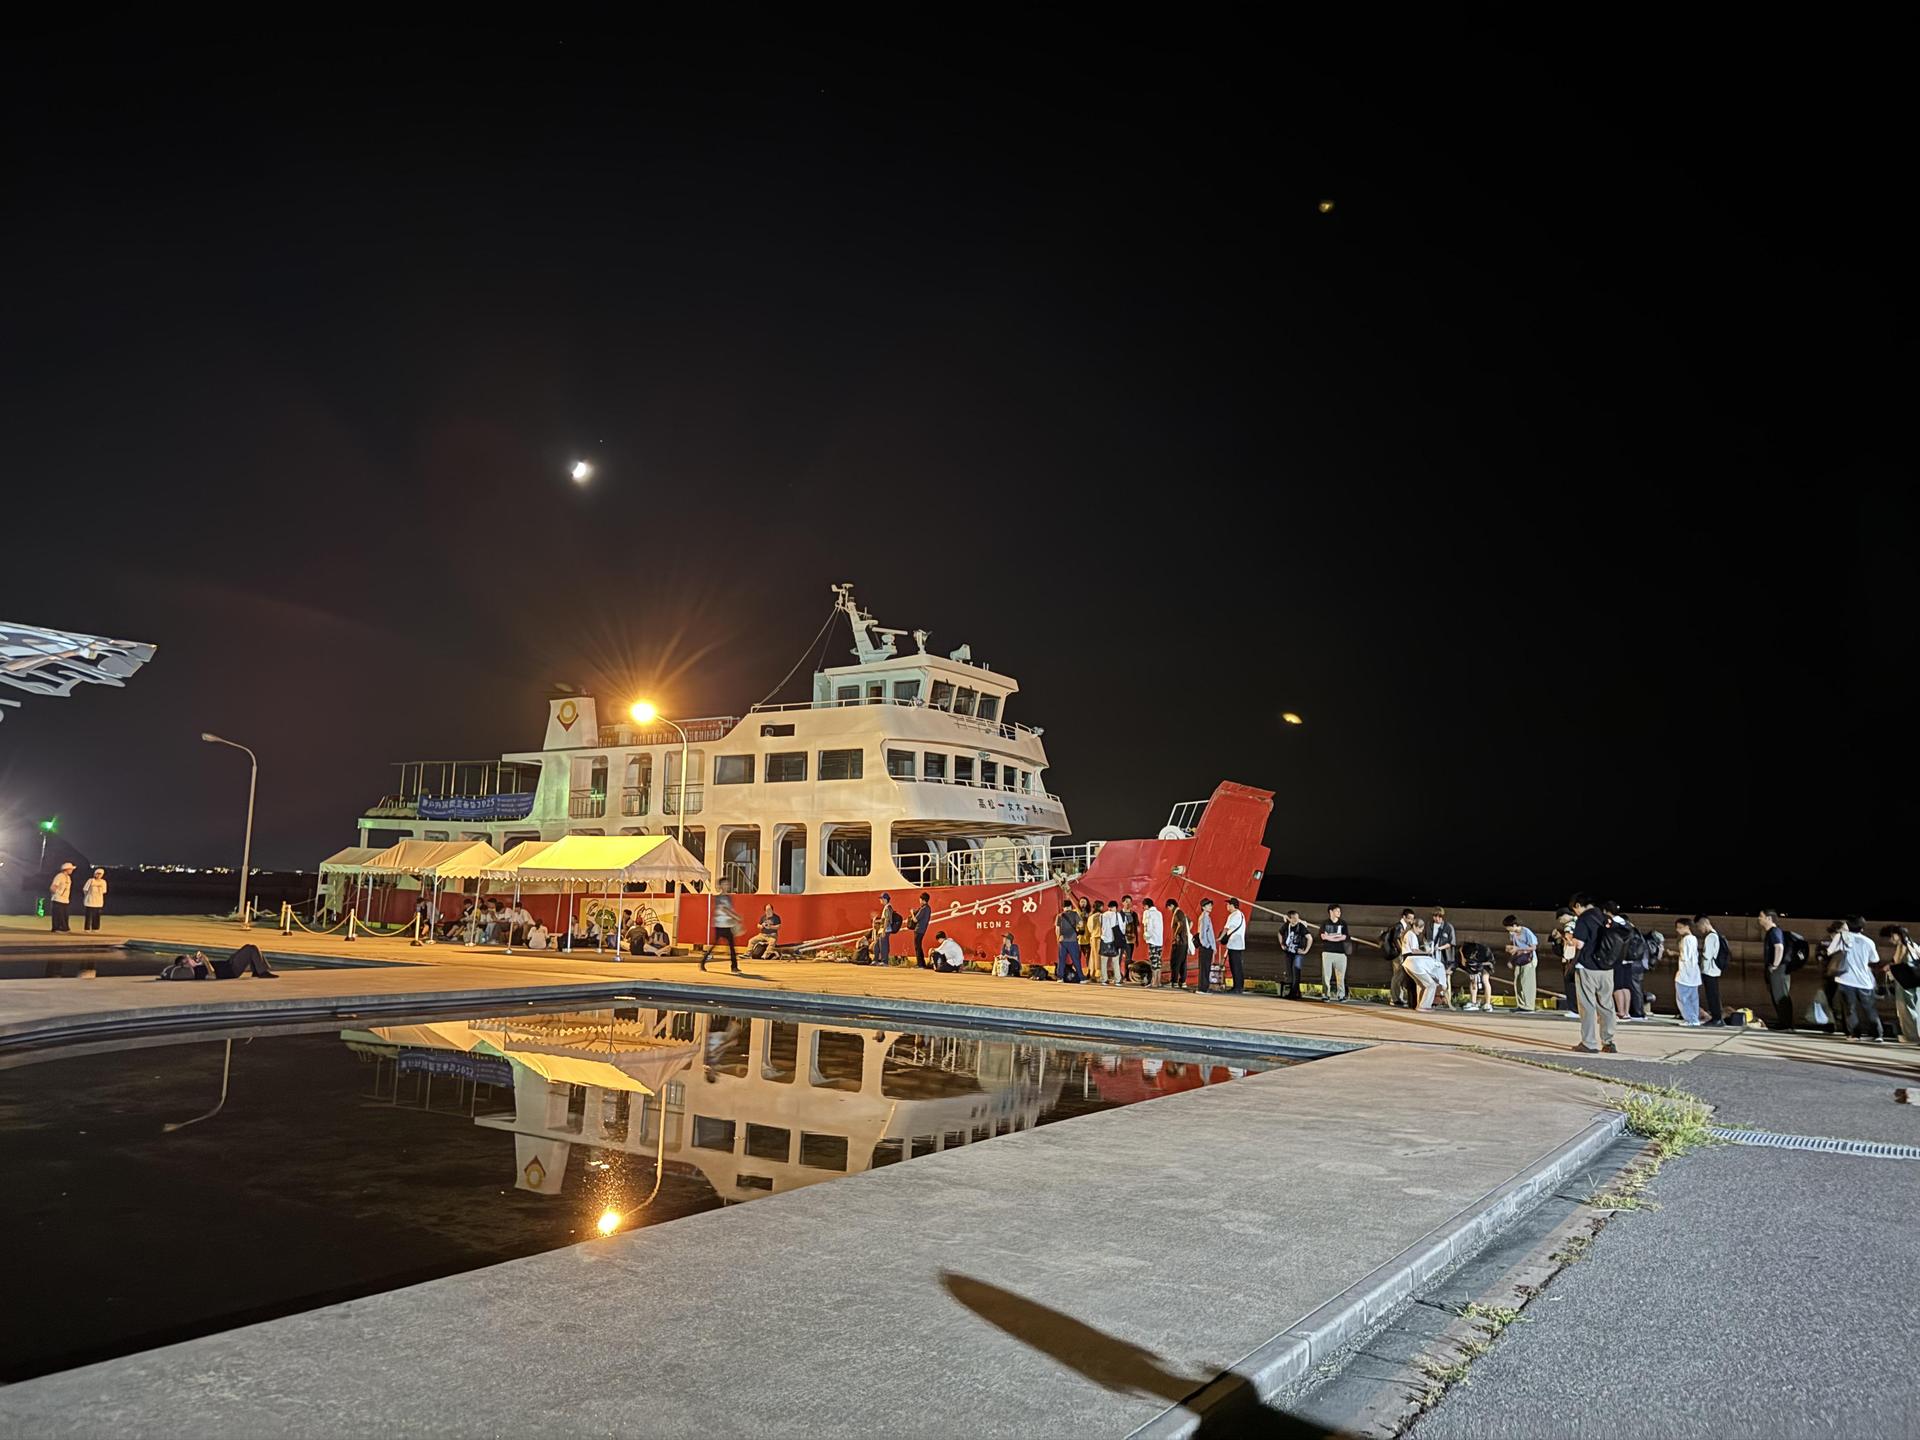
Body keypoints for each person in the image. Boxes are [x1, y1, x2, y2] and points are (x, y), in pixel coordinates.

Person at [1568, 893, 1619, 1054]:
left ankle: (1589, 1043)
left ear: (1578, 905)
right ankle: (1608, 1041)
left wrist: (1570, 939)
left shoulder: (1584, 919)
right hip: (1607, 968)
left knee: (1587, 1005)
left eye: (1574, 909)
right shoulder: (1605, 917)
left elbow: (1579, 944)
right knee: (1606, 1004)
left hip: (1588, 967)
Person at [1828, 917, 1884, 1042]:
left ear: (1848, 926)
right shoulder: (1868, 942)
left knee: (1850, 1009)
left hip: (1845, 978)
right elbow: (1875, 959)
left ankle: (1855, 1034)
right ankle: (1877, 1034)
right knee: (1869, 1008)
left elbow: (1830, 951)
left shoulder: (1840, 937)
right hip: (1864, 981)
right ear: (1862, 928)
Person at [1877, 924, 1920, 1045]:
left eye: (1891, 937)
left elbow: (1899, 963)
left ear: (1897, 935)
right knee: (1914, 1008)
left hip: (1905, 982)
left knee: (1905, 1010)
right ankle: (1915, 1035)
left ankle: (1911, 1037)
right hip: (1914, 982)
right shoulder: (1913, 945)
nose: (1890, 940)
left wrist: (1890, 967)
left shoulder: (1903, 946)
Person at [1400, 919, 1446, 1010]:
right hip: (1413, 961)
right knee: (1431, 984)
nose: (1421, 931)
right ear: (1415, 927)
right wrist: (1426, 953)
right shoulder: (1411, 935)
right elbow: (1414, 950)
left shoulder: (1408, 934)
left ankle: (1419, 1005)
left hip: (1408, 962)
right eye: (1420, 929)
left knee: (1420, 984)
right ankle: (1424, 1006)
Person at [1759, 908, 1793, 1030]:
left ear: (1769, 918)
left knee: (1780, 996)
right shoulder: (1772, 932)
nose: (1759, 919)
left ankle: (1786, 1024)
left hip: (1779, 969)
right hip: (1778, 969)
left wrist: (1775, 965)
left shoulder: (1774, 931)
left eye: (1761, 916)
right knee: (1777, 995)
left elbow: (1779, 947)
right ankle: (1783, 1021)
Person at [1670, 917, 1703, 1025]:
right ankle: (1694, 1019)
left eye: (1680, 927)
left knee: (1683, 999)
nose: (1677, 930)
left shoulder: (1686, 940)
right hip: (1694, 974)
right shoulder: (1693, 938)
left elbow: (1685, 957)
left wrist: (1675, 953)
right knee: (1693, 999)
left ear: (1687, 927)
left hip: (1685, 974)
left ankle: (1690, 1019)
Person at [700, 891, 743, 973]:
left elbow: (730, 910)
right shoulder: (719, 899)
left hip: (728, 926)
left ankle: (734, 967)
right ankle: (702, 963)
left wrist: (734, 919)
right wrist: (736, 917)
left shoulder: (728, 899)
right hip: (720, 926)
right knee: (714, 946)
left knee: (732, 947)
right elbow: (725, 910)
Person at [1503, 915, 1538, 1012]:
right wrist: (1511, 957)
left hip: (1528, 959)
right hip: (1518, 959)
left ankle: (1529, 1005)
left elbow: (1533, 947)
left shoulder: (1527, 932)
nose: (1508, 929)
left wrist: (1519, 949)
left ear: (1514, 925)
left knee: (1527, 982)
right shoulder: (1512, 934)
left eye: (1508, 927)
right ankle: (1521, 1004)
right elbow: (1514, 946)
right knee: (1518, 982)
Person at [1696, 914, 1727, 1025]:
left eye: (1699, 926)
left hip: (1709, 970)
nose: (1699, 929)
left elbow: (1707, 955)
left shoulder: (1710, 937)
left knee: (1712, 995)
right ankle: (1717, 1017)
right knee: (1714, 994)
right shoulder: (1716, 935)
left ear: (1704, 924)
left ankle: (1717, 1018)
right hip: (1714, 970)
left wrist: (1700, 954)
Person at [1387, 909, 1418, 1008]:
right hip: (1398, 955)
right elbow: (1396, 939)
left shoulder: (1405, 926)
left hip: (1401, 954)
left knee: (1400, 976)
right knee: (1397, 976)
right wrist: (1402, 951)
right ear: (1404, 917)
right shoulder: (1399, 926)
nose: (1411, 920)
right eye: (1409, 918)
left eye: (1412, 919)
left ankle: (1399, 997)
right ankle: (1394, 998)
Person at [1320, 904, 1350, 1003]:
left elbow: (1344, 937)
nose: (1339, 913)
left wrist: (1330, 937)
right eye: (1337, 911)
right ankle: (1326, 995)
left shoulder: (1343, 923)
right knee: (1326, 976)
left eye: (1339, 911)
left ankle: (1341, 995)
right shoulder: (1325, 923)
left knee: (1341, 976)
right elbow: (1323, 936)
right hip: (1327, 952)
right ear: (1331, 911)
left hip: (1341, 953)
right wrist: (1337, 937)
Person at [1280, 910, 1312, 999]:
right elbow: (1280, 933)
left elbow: (1310, 938)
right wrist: (1282, 944)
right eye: (1294, 918)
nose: (1296, 919)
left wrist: (1305, 951)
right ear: (1290, 919)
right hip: (1289, 952)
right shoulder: (1286, 925)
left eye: (1297, 918)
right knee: (1290, 972)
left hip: (1298, 952)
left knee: (1296, 971)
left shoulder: (1301, 926)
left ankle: (1293, 993)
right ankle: (1296, 992)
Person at [1429, 908, 1458, 1009]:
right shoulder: (1429, 926)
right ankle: (1434, 999)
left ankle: (1447, 1000)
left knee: (1446, 979)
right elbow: (1426, 938)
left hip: (1445, 958)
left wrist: (1440, 948)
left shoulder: (1448, 927)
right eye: (1435, 916)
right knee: (1433, 978)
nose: (1437, 918)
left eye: (1439, 916)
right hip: (1432, 956)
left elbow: (1451, 943)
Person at [1220, 898, 1249, 994]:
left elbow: (1226, 928)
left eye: (1228, 904)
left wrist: (1220, 938)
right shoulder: (1241, 914)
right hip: (1239, 944)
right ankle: (1239, 986)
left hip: (1234, 944)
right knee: (1238, 966)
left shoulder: (1233, 915)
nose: (1227, 906)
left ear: (1232, 905)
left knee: (1235, 966)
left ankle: (1237, 987)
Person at [1459, 941, 1497, 1011]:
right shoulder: (1465, 950)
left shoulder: (1485, 951)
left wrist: (1481, 967)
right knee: (1473, 980)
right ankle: (1473, 1002)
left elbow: (1490, 963)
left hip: (1485, 965)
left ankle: (1487, 1004)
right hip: (1473, 965)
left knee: (1485, 980)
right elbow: (1464, 962)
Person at [1099, 900, 1126, 986]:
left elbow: (1101, 926)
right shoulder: (1117, 915)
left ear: (1108, 907)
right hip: (1114, 940)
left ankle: (1104, 979)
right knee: (1115, 961)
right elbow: (1122, 928)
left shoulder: (1102, 915)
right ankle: (1117, 980)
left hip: (1104, 939)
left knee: (1103, 961)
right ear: (1116, 907)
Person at [1055, 900, 1084, 983]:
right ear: (1071, 906)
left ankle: (1060, 978)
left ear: (1063, 907)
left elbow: (1057, 929)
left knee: (1061, 960)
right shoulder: (1074, 914)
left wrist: (1058, 938)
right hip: (1073, 940)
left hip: (1062, 941)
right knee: (1076, 960)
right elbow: (1081, 924)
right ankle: (1081, 978)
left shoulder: (1059, 916)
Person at [1167, 899, 1192, 989]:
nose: (1169, 909)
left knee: (1175, 962)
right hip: (1184, 941)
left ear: (1172, 905)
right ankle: (1182, 981)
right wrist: (1186, 932)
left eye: (1169, 907)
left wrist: (1175, 935)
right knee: (1182, 962)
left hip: (1179, 941)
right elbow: (1190, 922)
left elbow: (1180, 924)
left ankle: (1174, 981)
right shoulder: (1183, 913)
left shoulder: (1178, 913)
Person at [1139, 898, 1164, 986]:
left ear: (1146, 906)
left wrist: (1145, 935)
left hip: (1153, 940)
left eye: (1144, 906)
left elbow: (1148, 926)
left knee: (1153, 961)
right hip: (1159, 940)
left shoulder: (1148, 913)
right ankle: (1158, 981)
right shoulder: (1159, 913)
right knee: (1158, 961)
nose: (1143, 908)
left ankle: (1154, 982)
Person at [1195, 899, 1217, 994]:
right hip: (1206, 947)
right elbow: (1202, 933)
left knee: (1206, 967)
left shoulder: (1207, 917)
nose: (1211, 907)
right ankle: (1202, 988)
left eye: (1211, 905)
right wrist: (1207, 945)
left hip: (1207, 946)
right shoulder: (1204, 917)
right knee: (1204, 967)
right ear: (1203, 907)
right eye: (1208, 905)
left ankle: (1204, 987)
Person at [48, 861, 74, 932]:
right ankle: (56, 928)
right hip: (58, 899)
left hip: (65, 900)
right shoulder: (59, 876)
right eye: (71, 869)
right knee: (58, 914)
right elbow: (53, 887)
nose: (72, 870)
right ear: (66, 869)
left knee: (65, 915)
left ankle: (64, 928)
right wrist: (56, 895)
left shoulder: (68, 877)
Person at [81, 867, 107, 931]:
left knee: (96, 916)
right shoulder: (91, 880)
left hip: (98, 902)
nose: (98, 875)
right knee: (88, 916)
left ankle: (95, 928)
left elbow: (104, 891)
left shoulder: (103, 882)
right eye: (97, 874)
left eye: (100, 874)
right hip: (90, 901)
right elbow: (85, 889)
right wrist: (87, 896)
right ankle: (87, 928)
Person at [876, 893, 898, 966]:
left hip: (885, 929)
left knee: (884, 946)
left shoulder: (887, 907)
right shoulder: (887, 907)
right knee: (881, 945)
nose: (880, 900)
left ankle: (884, 961)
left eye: (881, 899)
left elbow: (887, 919)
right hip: (884, 929)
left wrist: (884, 930)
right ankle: (882, 960)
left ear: (885, 899)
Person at [911, 892, 933, 967]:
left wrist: (912, 913)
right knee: (919, 946)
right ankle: (922, 963)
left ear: (923, 900)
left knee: (917, 947)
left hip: (918, 929)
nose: (919, 901)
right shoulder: (928, 908)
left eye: (920, 899)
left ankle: (920, 964)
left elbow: (915, 920)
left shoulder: (923, 908)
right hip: (923, 930)